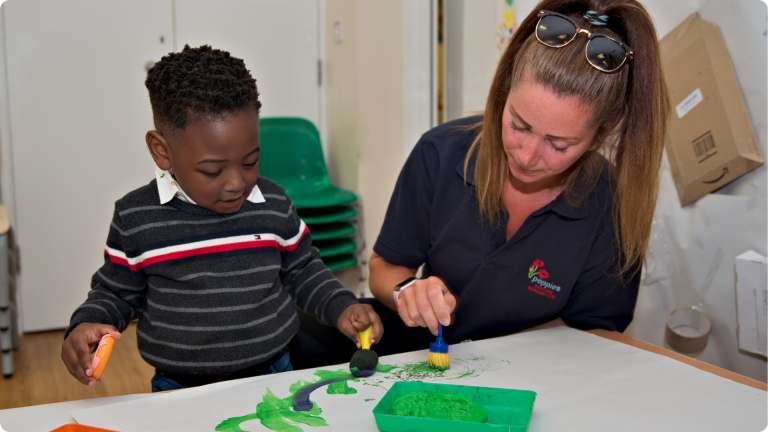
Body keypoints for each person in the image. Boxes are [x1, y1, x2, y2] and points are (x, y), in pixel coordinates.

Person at [60, 45, 383, 391]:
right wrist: (89, 321)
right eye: (212, 170)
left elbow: (303, 270)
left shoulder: (272, 202)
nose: (236, 183)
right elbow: (116, 292)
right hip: (179, 388)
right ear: (162, 151)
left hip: (275, 372)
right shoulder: (136, 217)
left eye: (250, 161)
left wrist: (341, 305)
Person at [369, 0, 669, 346]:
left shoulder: (612, 205)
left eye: (558, 145)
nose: (526, 157)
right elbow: (383, 268)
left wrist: (496, 359)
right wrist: (407, 292)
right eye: (518, 125)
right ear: (504, 90)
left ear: (600, 134)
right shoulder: (439, 152)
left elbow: (595, 334)